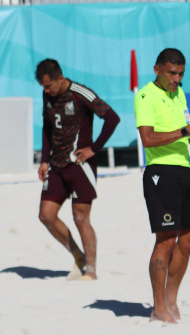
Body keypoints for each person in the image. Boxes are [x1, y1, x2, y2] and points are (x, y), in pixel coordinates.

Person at [134, 48, 190, 323]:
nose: (176, 79)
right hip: (159, 173)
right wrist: (184, 131)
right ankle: (158, 308)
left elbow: (178, 136)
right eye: (171, 73)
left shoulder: (178, 93)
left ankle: (170, 300)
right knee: (165, 241)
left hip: (183, 169)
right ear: (157, 70)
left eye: (180, 74)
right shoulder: (145, 95)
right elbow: (148, 139)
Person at [36, 59, 120, 281]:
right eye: (43, 87)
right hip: (56, 165)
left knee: (80, 217)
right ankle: (78, 257)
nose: (46, 91)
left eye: (48, 86)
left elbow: (112, 118)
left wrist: (94, 148)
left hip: (80, 165)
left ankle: (91, 270)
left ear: (60, 78)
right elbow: (47, 127)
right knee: (46, 216)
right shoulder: (48, 96)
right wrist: (44, 160)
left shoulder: (81, 94)